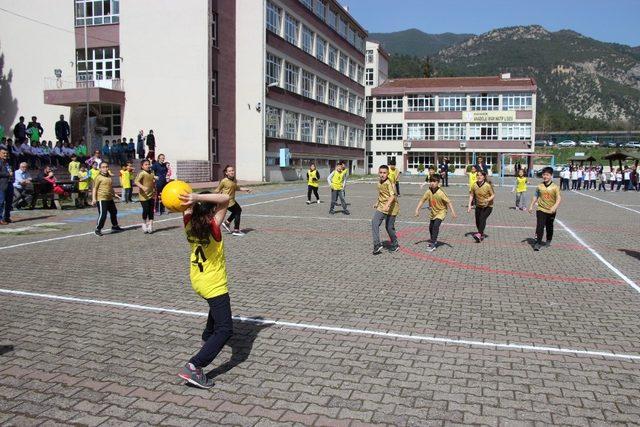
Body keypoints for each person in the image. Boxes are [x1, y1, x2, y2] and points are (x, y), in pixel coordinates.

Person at [177, 190, 232, 389]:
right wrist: (198, 197)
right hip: (213, 283)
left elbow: (184, 207)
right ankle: (195, 366)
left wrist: (191, 199)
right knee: (226, 330)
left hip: (197, 279)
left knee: (214, 309)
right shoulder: (213, 227)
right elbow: (225, 199)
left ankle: (207, 336)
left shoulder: (189, 223)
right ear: (211, 213)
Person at [414, 175, 456, 252]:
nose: (432, 183)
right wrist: (417, 210)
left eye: (434, 181)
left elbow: (449, 202)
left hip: (441, 212)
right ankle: (434, 240)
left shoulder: (441, 193)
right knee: (431, 227)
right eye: (431, 181)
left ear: (438, 183)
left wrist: (453, 212)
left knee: (436, 226)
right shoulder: (428, 191)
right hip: (433, 212)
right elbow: (422, 200)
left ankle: (433, 244)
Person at [528, 166, 561, 251]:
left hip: (551, 210)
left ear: (551, 175)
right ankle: (538, 243)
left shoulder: (555, 187)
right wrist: (531, 205)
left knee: (549, 226)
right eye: (544, 174)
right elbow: (535, 196)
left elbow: (558, 198)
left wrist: (554, 207)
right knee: (540, 225)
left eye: (547, 175)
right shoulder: (539, 186)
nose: (545, 176)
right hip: (541, 209)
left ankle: (548, 239)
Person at [216, 165, 251, 236]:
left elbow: (237, 188)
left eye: (232, 170)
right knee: (238, 211)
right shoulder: (224, 181)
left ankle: (227, 223)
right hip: (226, 201)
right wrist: (212, 198)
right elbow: (217, 190)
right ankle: (236, 230)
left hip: (232, 200)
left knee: (237, 211)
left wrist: (246, 189)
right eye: (229, 171)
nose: (232, 172)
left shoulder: (234, 180)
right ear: (226, 173)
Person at [372, 165, 399, 255]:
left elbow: (392, 196)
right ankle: (376, 244)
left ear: (388, 174)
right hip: (382, 206)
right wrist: (377, 202)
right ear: (378, 173)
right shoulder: (379, 182)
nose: (382, 174)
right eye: (381, 172)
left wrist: (387, 205)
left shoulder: (389, 183)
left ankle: (395, 243)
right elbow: (381, 194)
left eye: (384, 173)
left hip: (392, 207)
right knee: (374, 222)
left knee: (389, 227)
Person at [92, 161, 122, 236]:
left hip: (109, 198)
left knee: (114, 212)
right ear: (100, 169)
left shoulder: (109, 177)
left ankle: (115, 226)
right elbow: (94, 188)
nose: (105, 168)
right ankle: (98, 229)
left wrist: (114, 194)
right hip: (101, 198)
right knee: (103, 214)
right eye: (103, 167)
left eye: (106, 167)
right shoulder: (98, 177)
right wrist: (94, 199)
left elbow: (110, 187)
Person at [468, 170, 495, 243]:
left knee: (482, 218)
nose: (479, 177)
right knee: (478, 221)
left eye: (481, 175)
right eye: (478, 175)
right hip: (479, 205)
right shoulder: (474, 185)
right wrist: (469, 205)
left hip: (488, 206)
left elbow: (493, 195)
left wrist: (488, 199)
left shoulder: (487, 185)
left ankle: (479, 234)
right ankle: (481, 234)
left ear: (484, 177)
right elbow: (471, 195)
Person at [134, 159, 156, 234]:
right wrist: (143, 187)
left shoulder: (152, 172)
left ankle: (150, 225)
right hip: (143, 196)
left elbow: (152, 179)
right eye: (145, 164)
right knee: (146, 210)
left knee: (151, 211)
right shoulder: (141, 173)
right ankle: (144, 223)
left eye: (148, 164)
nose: (147, 166)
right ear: (142, 166)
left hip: (151, 194)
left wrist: (155, 178)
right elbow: (136, 181)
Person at [0, 147, 15, 224]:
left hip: (10, 184)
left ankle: (7, 217)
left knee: (9, 202)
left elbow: (12, 171)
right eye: (3, 153)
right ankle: (0, 219)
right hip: (2, 185)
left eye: (6, 153)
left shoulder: (8, 162)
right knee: (1, 202)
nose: (5, 154)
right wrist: (7, 174)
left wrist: (13, 178)